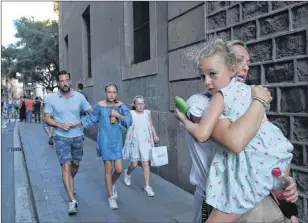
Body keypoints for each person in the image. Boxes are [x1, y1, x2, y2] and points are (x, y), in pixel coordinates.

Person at [175, 39, 295, 222]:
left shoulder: (246, 96)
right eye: (239, 60)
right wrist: (260, 101)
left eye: (248, 62)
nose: (244, 67)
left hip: (257, 196)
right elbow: (235, 143)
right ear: (230, 65)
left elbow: (269, 149)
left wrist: (286, 189)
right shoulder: (201, 103)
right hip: (223, 198)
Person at [44, 70, 92, 215]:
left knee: (75, 165)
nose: (64, 83)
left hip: (77, 136)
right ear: (58, 83)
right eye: (61, 81)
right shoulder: (51, 98)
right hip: (61, 137)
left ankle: (69, 182)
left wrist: (80, 122)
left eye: (66, 80)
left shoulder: (79, 97)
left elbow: (91, 112)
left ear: (70, 82)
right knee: (66, 166)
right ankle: (72, 201)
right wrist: (59, 125)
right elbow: (47, 118)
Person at [82, 83, 132, 210]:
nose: (111, 94)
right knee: (108, 169)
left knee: (119, 169)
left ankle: (112, 184)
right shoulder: (100, 105)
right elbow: (91, 119)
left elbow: (129, 121)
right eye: (109, 92)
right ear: (105, 93)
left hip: (117, 141)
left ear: (117, 93)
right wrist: (78, 126)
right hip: (104, 140)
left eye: (114, 92)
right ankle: (111, 197)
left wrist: (118, 115)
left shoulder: (120, 106)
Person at [122, 95, 159, 197]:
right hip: (135, 142)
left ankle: (147, 187)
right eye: (138, 103)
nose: (141, 106)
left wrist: (155, 135)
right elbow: (125, 123)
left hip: (146, 141)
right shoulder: (131, 113)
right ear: (134, 105)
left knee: (146, 164)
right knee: (134, 164)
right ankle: (127, 173)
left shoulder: (147, 113)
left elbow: (151, 125)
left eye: (142, 103)